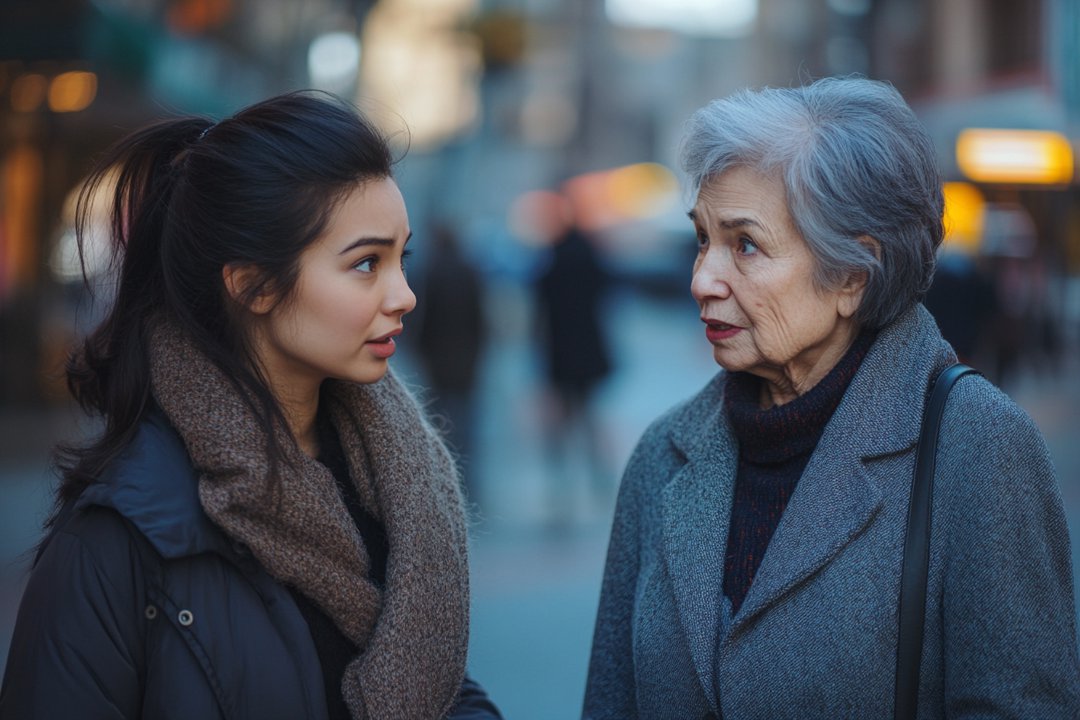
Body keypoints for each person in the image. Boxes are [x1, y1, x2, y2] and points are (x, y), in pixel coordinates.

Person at [583, 77, 1080, 718]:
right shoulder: (662, 455)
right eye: (703, 238)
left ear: (851, 274)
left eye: (746, 245)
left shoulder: (977, 448)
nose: (702, 278)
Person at [0, 91, 501, 720]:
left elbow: (444, 690)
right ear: (253, 285)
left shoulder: (400, 480)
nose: (404, 296)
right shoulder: (118, 538)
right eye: (367, 263)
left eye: (404, 259)